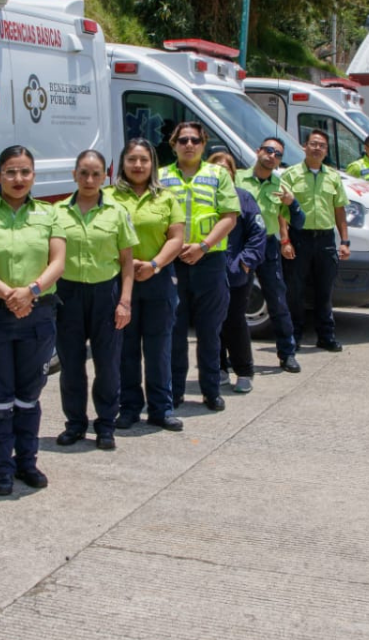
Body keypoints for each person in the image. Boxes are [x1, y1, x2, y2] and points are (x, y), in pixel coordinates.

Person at [0, 146, 65, 495]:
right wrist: (11, 294)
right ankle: (1, 468)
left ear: (34, 176)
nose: (18, 179)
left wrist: (31, 291)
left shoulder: (49, 215)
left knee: (29, 396)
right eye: (10, 172)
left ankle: (27, 462)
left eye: (25, 172)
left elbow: (58, 262)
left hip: (36, 313)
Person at [55, 150, 138, 451]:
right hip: (68, 296)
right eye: (83, 173)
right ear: (74, 175)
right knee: (71, 365)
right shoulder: (58, 213)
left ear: (106, 176)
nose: (90, 180)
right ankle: (75, 424)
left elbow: (127, 262)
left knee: (108, 365)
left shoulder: (117, 213)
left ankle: (105, 424)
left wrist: (125, 302)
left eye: (96, 174)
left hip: (106, 295)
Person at [158, 122, 240, 412]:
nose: (189, 144)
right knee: (174, 332)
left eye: (195, 140)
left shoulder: (218, 175)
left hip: (210, 263)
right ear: (174, 144)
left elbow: (229, 217)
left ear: (203, 144)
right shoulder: (161, 177)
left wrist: (202, 246)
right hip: (173, 263)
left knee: (209, 333)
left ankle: (210, 392)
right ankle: (175, 392)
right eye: (183, 140)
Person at [107, 139, 186, 432]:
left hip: (158, 280)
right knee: (125, 349)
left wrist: (153, 265)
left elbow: (176, 238)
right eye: (132, 160)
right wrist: (129, 266)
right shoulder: (108, 196)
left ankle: (161, 408)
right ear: (122, 163)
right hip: (120, 283)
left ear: (152, 163)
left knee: (159, 348)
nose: (138, 165)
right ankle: (128, 408)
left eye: (144, 160)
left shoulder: (166, 197)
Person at [235, 137, 305, 374]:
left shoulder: (280, 184)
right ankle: (228, 357)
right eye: (268, 150)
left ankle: (287, 354)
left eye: (277, 154)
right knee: (234, 303)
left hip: (267, 246)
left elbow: (299, 221)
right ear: (258, 151)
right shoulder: (237, 178)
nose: (272, 155)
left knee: (277, 301)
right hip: (240, 246)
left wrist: (292, 203)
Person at [280, 129, 350, 352]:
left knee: (325, 290)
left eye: (321, 145)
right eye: (313, 144)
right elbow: (281, 211)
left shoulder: (333, 176)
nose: (317, 148)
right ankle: (295, 336)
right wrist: (285, 241)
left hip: (326, 239)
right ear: (305, 146)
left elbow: (339, 210)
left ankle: (326, 336)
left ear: (326, 150)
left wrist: (345, 241)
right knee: (295, 291)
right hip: (299, 238)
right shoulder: (290, 175)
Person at [209, 152, 266, 394]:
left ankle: (244, 371)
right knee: (211, 323)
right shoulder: (202, 200)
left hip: (236, 274)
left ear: (233, 174)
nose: (222, 174)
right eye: (216, 170)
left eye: (227, 170)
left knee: (235, 322)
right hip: (208, 272)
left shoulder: (244, 198)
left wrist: (245, 262)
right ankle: (218, 368)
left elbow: (258, 233)